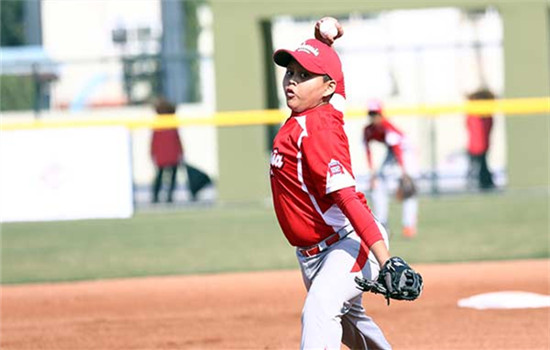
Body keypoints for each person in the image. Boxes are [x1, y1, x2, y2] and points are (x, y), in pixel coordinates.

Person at [269, 18, 421, 349]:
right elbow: (334, 78)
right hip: (314, 253)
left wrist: (386, 261)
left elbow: (349, 198)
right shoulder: (323, 107)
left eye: (303, 75)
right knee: (353, 328)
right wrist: (321, 42)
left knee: (320, 312)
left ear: (326, 88)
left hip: (346, 245)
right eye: (290, 73)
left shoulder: (318, 132)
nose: (292, 81)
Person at [363, 100, 419, 238]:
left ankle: (409, 225)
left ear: (382, 114)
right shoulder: (368, 130)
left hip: (405, 152)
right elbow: (368, 151)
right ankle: (382, 225)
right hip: (392, 153)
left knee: (408, 190)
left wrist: (404, 173)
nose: (374, 117)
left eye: (376, 114)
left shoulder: (388, 127)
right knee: (378, 187)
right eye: (371, 114)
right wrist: (372, 174)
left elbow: (398, 149)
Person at [150, 97, 183, 203]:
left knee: (161, 176)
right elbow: (177, 140)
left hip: (164, 155)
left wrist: (152, 153)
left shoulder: (162, 124)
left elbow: (154, 142)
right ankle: (165, 196)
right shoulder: (167, 124)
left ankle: (158, 196)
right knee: (167, 176)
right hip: (170, 155)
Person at [466, 88, 496, 190]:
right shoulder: (475, 116)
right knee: (478, 167)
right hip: (476, 147)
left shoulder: (485, 117)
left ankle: (485, 183)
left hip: (480, 146)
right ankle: (483, 183)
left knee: (481, 166)